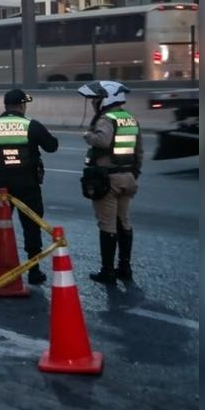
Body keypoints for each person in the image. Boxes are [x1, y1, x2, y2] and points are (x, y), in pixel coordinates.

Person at [0, 89, 58, 285]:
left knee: (0, 224)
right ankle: (34, 271)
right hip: (28, 182)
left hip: (1, 182)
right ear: (22, 105)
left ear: (6, 105)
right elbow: (52, 146)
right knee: (31, 225)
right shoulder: (31, 125)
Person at [78, 81, 142, 283]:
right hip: (127, 177)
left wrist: (88, 135)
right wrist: (133, 174)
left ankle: (108, 271)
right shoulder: (129, 118)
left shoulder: (106, 119)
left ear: (107, 99)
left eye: (96, 99)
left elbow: (103, 140)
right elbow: (139, 151)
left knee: (107, 224)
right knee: (124, 222)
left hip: (108, 180)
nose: (93, 103)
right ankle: (125, 267)